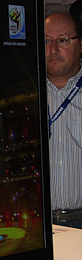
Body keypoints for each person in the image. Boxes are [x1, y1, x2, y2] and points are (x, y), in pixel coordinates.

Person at [45, 12, 82, 227]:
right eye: (46, 41)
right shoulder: (25, 93)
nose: (53, 50)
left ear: (80, 44)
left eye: (63, 40)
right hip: (40, 223)